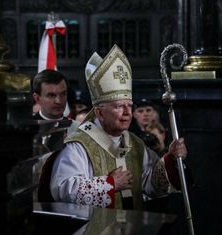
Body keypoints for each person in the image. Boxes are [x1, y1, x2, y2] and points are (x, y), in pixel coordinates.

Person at [49, 44, 188, 209]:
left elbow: (152, 185)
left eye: (129, 106)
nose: (127, 113)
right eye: (119, 106)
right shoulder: (78, 145)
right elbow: (62, 190)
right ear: (100, 113)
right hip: (96, 232)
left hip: (133, 228)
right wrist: (109, 184)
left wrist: (171, 159)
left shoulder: (135, 144)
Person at [31, 69, 79, 154]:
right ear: (37, 98)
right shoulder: (27, 129)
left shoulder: (77, 129)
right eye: (51, 95)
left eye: (63, 94)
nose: (59, 101)